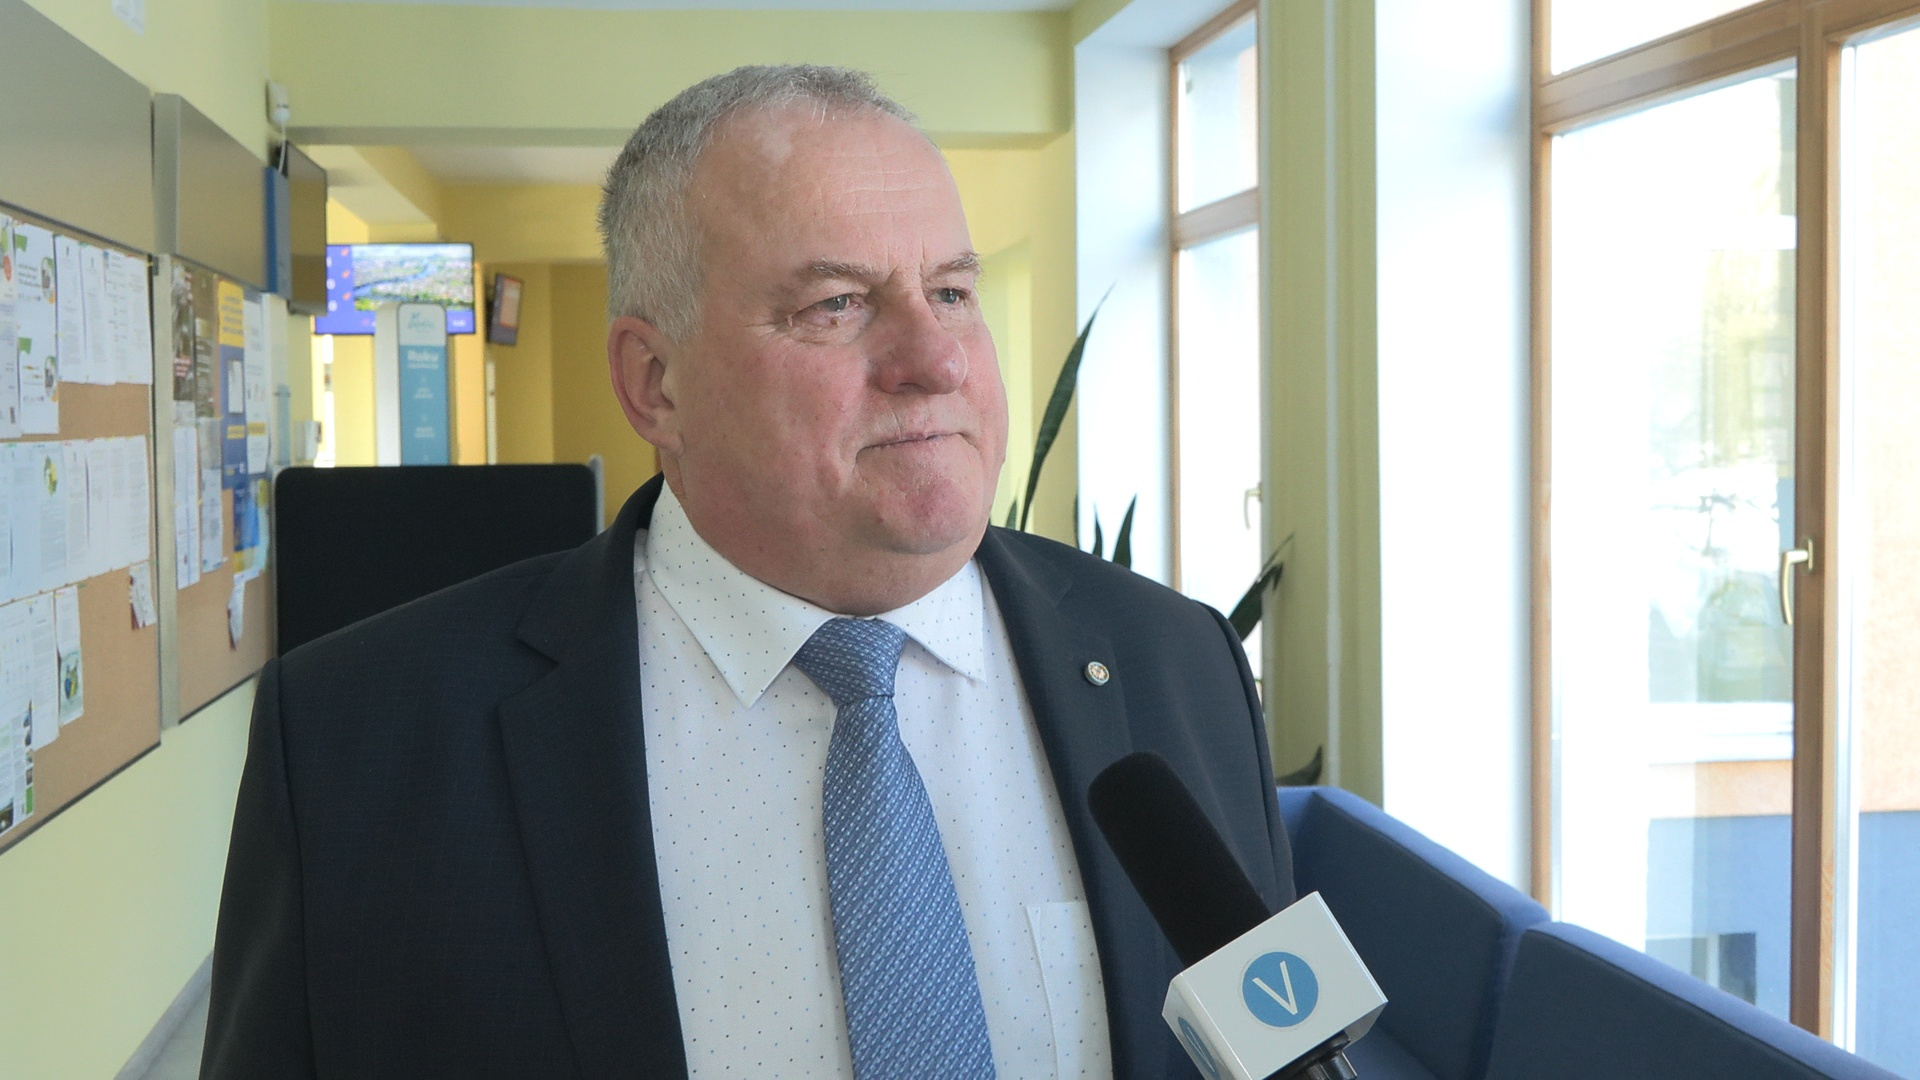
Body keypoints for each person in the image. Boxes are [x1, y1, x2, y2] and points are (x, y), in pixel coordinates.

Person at [203, 64, 1292, 1080]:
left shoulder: (1176, 662)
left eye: (954, 292)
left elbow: (1277, 1033)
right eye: (837, 305)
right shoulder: (359, 737)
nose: (937, 359)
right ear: (656, 383)